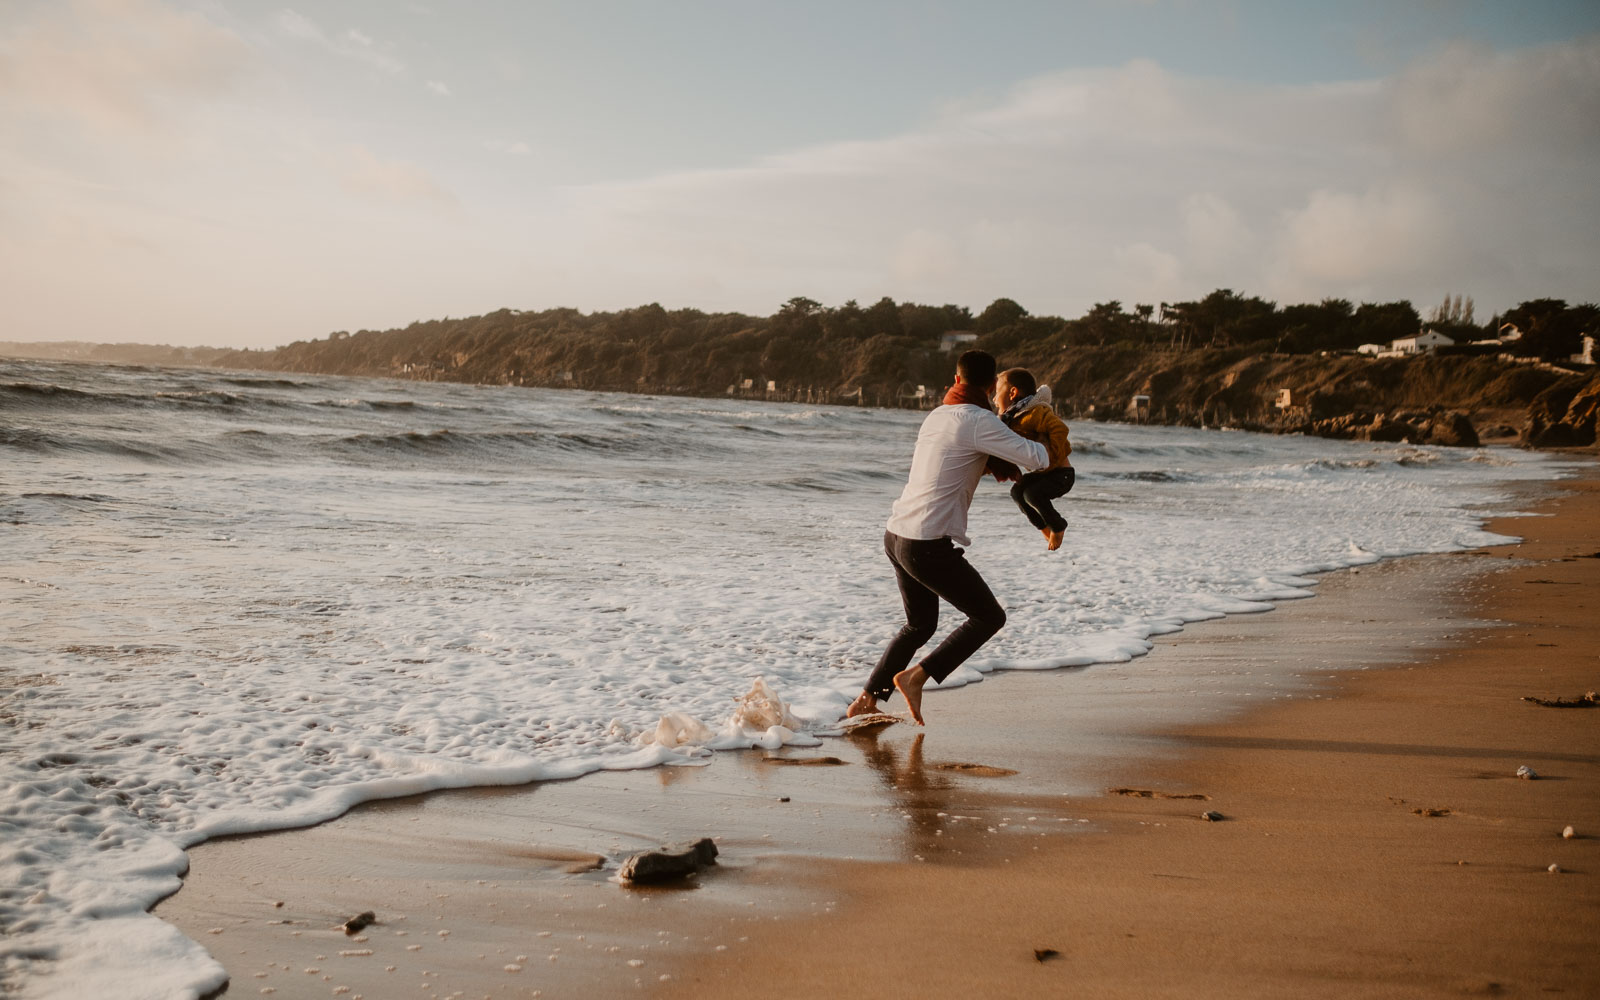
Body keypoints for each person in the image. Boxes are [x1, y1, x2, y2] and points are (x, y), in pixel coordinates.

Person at [846, 350, 1049, 726]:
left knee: (920, 625)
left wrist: (1005, 425)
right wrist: (1043, 424)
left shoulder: (938, 415)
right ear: (990, 387)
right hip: (925, 543)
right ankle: (915, 678)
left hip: (896, 534)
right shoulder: (979, 421)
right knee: (988, 617)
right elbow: (1038, 458)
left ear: (956, 381)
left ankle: (864, 702)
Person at [994, 367, 1074, 551]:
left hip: (1061, 475)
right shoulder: (1012, 419)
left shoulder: (1035, 412)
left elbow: (1060, 429)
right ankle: (1045, 528)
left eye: (997, 393)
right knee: (1017, 492)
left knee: (1032, 494)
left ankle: (1058, 526)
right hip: (1044, 475)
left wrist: (1051, 458)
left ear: (1012, 392)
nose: (994, 398)